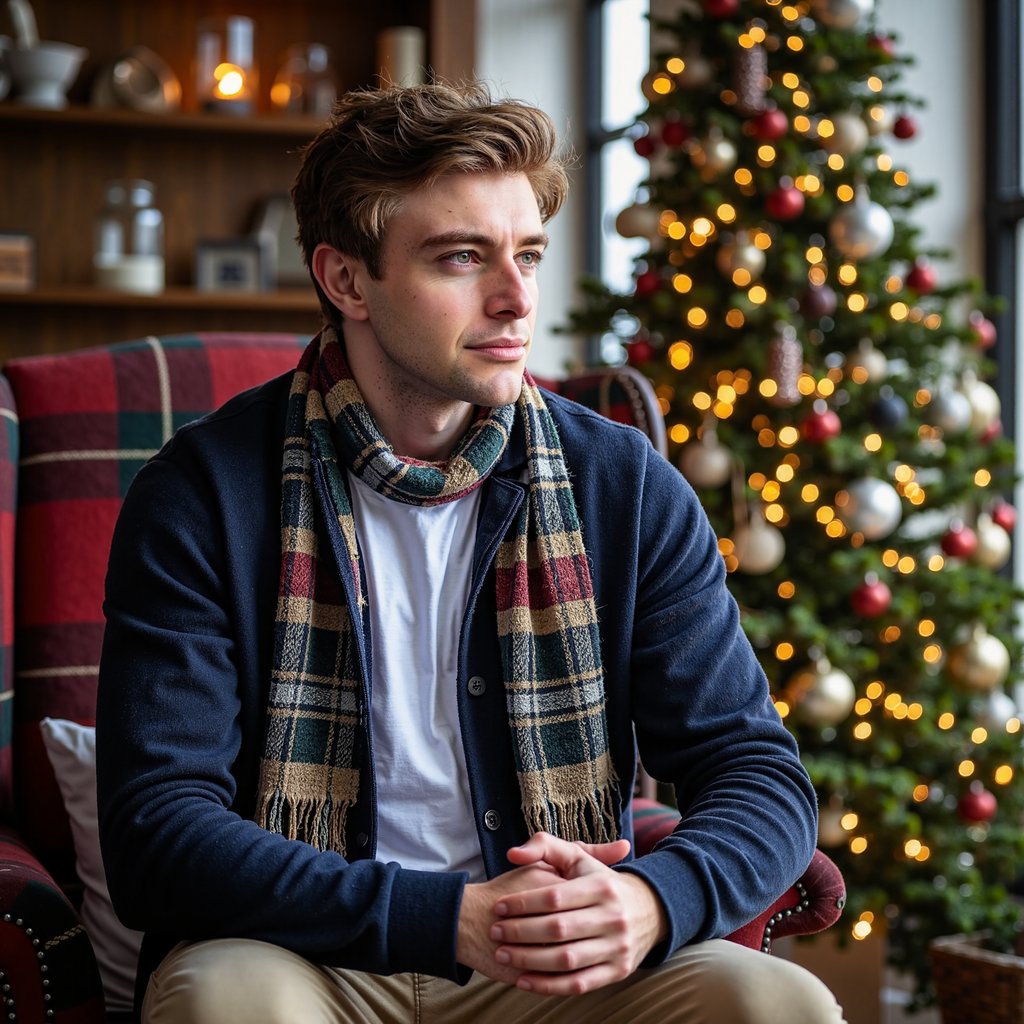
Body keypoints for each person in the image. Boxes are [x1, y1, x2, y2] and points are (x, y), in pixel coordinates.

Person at [96, 81, 845, 1023]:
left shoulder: (623, 484)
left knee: (775, 1004)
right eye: (462, 257)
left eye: (528, 253)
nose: (516, 297)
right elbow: (156, 831)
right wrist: (444, 916)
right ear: (347, 280)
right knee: (227, 1000)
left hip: (546, 963)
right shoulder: (205, 493)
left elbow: (759, 772)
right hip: (304, 952)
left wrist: (653, 900)